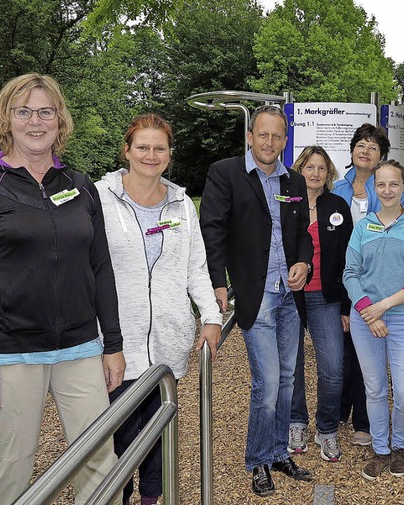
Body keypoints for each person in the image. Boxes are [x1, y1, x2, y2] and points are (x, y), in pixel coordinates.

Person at [0, 73, 125, 505]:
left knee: (100, 462)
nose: (35, 121)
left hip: (80, 347)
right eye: (23, 111)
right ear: (6, 119)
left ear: (59, 120)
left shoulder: (80, 186)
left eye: (45, 111)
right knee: (10, 467)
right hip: (10, 353)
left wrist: (112, 343)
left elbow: (100, 266)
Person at [96, 113, 222, 505]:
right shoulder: (98, 199)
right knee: (115, 439)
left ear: (169, 154)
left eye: (159, 148)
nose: (151, 155)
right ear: (127, 150)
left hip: (167, 342)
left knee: (159, 434)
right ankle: (117, 496)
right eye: (143, 147)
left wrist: (211, 316)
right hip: (117, 342)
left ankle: (155, 497)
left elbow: (195, 267)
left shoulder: (182, 205)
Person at [200, 105, 314, 497]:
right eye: (262, 135)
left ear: (285, 140)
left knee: (287, 380)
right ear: (250, 137)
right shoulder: (226, 173)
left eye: (276, 136)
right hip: (256, 292)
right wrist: (218, 282)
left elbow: (302, 233)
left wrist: (304, 261)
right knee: (267, 383)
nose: (269, 143)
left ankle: (278, 451)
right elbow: (212, 231)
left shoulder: (294, 181)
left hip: (289, 295)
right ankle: (258, 460)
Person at [343, 160, 404, 481]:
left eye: (393, 184)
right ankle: (381, 450)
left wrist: (383, 306)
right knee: (375, 389)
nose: (386, 190)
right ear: (374, 187)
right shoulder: (363, 227)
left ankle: (400, 446)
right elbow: (350, 273)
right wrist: (369, 310)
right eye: (380, 184)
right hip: (365, 318)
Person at [332, 123, 401, 447]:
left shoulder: (386, 190)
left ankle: (363, 419)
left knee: (365, 355)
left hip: (374, 285)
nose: (365, 150)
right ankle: (338, 412)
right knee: (340, 353)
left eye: (373, 147)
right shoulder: (337, 189)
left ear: (381, 157)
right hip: (339, 282)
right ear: (352, 150)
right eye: (361, 143)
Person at [288, 146, 352, 462]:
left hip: (326, 298)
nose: (315, 174)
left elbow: (348, 260)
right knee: (292, 366)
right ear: (300, 169)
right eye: (310, 167)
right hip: (290, 297)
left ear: (329, 174)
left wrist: (346, 306)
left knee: (333, 369)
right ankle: (296, 422)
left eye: (321, 168)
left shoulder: (337, 205)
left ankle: (326, 429)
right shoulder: (287, 204)